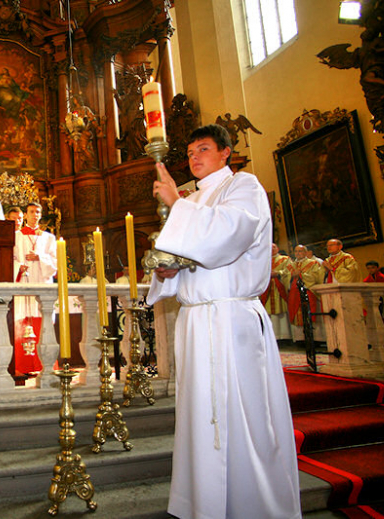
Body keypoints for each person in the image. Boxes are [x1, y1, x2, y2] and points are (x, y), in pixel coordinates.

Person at [148, 124, 300, 519]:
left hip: (231, 319)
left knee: (244, 414)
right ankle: (205, 505)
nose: (194, 158)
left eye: (203, 149)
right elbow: (191, 258)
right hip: (196, 321)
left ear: (225, 152)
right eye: (189, 152)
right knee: (200, 415)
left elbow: (228, 236)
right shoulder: (193, 199)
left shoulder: (243, 187)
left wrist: (176, 204)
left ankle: (255, 507)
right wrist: (169, 271)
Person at [13, 202, 57, 374]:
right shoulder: (16, 236)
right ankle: (22, 365)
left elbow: (55, 262)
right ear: (26, 214)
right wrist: (18, 267)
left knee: (42, 320)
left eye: (38, 212)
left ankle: (44, 365)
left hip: (41, 284)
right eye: (31, 212)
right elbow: (10, 257)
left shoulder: (49, 238)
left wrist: (40, 257)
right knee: (21, 320)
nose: (35, 214)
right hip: (23, 283)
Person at [288, 244, 327, 343]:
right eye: (296, 251)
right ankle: (300, 339)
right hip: (295, 292)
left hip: (308, 291)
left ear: (305, 253)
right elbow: (285, 276)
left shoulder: (313, 263)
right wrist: (291, 275)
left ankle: (315, 339)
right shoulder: (291, 265)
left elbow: (316, 276)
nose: (298, 253)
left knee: (310, 313)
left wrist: (301, 274)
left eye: (300, 251)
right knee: (297, 314)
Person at [261, 243, 293, 342]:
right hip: (267, 288)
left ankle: (285, 336)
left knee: (281, 310)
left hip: (279, 287)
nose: (272, 249)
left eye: (274, 247)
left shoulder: (285, 259)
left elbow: (289, 271)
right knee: (269, 312)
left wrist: (278, 273)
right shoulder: (263, 260)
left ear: (278, 248)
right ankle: (272, 337)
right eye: (269, 247)